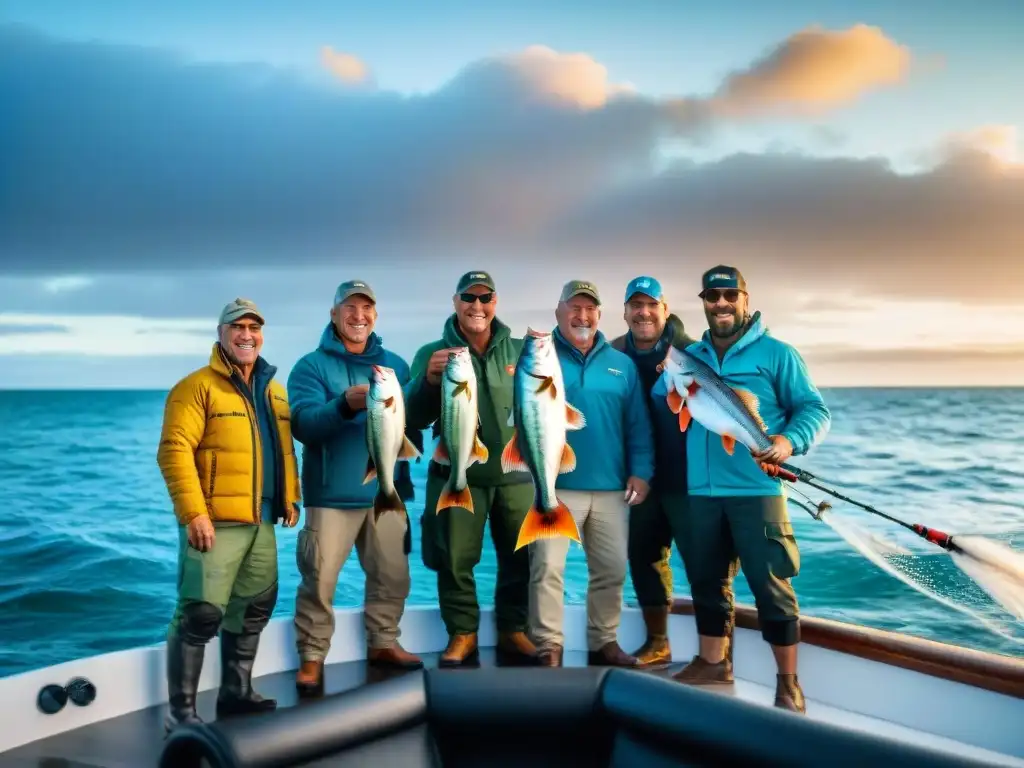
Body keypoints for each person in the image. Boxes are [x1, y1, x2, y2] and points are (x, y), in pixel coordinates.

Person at [667, 266, 831, 714]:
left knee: (770, 583)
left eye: (728, 295)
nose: (720, 303)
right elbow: (676, 402)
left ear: (744, 298)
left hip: (758, 488)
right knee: (707, 580)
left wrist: (786, 442)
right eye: (712, 295)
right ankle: (712, 664)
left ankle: (788, 682)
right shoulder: (691, 355)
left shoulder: (777, 354)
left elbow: (814, 409)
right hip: (701, 490)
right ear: (703, 300)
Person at [156, 298, 302, 732]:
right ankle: (180, 714)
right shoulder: (196, 386)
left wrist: (290, 497)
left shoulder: (274, 389)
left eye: (254, 327)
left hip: (263, 521)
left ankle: (236, 694)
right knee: (200, 613)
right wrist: (193, 514)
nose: (246, 335)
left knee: (255, 608)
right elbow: (174, 451)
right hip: (214, 522)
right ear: (220, 334)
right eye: (236, 327)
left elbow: (283, 450)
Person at [287, 280, 424, 697]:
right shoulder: (309, 367)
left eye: (366, 308)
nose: (358, 316)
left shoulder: (397, 365)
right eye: (350, 308)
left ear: (375, 315)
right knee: (319, 580)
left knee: (392, 575)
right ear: (334, 314)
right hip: (331, 497)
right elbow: (304, 425)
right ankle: (312, 657)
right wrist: (344, 403)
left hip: (387, 492)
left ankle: (383, 642)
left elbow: (413, 423)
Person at [405, 271, 540, 667]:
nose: (476, 306)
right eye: (469, 298)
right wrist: (428, 381)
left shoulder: (519, 350)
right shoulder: (431, 352)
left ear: (495, 303)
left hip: (513, 476)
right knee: (453, 557)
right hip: (455, 474)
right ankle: (462, 633)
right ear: (455, 302)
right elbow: (411, 417)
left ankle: (513, 629)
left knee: (521, 557)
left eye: (485, 298)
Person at [528, 280, 655, 668]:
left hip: (612, 490)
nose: (582, 317)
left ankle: (604, 642)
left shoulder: (622, 364)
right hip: (556, 486)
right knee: (547, 568)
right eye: (574, 308)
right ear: (559, 312)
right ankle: (548, 645)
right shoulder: (539, 358)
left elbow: (639, 426)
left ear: (600, 315)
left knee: (612, 569)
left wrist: (642, 472)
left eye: (589, 309)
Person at [608, 276, 695, 668]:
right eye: (635, 305)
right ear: (625, 311)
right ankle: (658, 641)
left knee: (704, 560)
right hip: (640, 478)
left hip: (691, 476)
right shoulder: (610, 355)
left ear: (665, 308)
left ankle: (718, 650)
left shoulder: (693, 351)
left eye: (651, 305)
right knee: (643, 556)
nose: (643, 312)